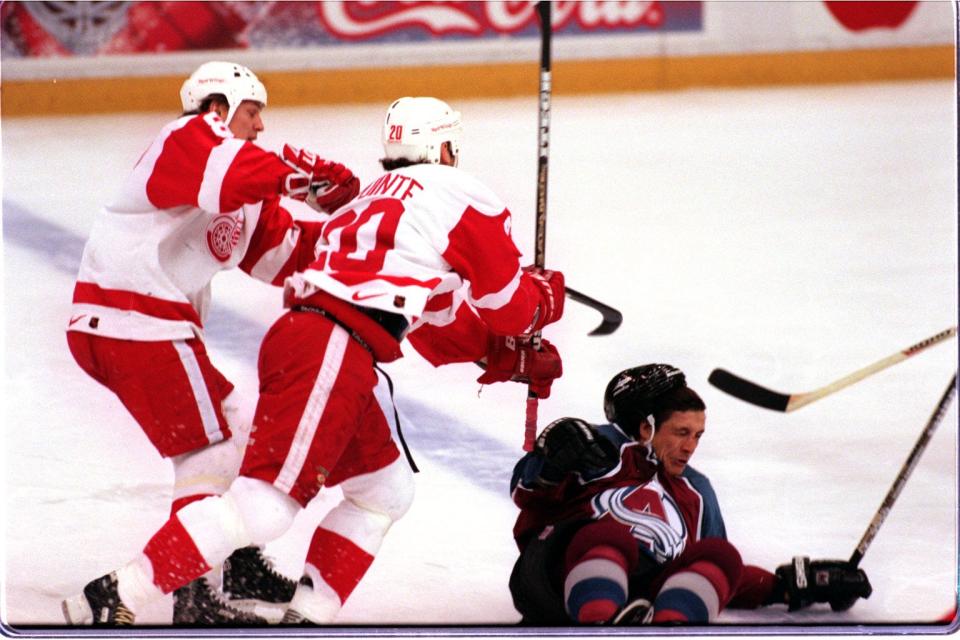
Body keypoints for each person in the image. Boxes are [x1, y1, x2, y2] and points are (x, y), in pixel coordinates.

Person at [62, 96, 566, 626]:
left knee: (385, 490)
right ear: (444, 147)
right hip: (333, 348)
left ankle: (306, 618)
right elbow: (510, 308)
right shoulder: (462, 196)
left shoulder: (365, 203)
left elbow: (438, 327)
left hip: (317, 341)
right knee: (265, 506)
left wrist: (501, 356)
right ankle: (117, 594)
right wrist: (540, 304)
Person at [64, 60, 360, 625]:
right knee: (220, 447)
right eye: (254, 112)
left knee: (232, 432)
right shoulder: (186, 138)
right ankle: (195, 591)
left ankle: (232, 564)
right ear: (218, 108)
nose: (262, 126)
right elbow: (235, 173)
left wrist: (370, 226)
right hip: (135, 320)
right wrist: (306, 176)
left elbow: (288, 253)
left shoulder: (239, 185)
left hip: (135, 328)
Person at [508, 364, 873, 625]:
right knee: (607, 535)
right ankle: (599, 627)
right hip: (557, 579)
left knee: (720, 555)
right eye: (681, 432)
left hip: (641, 599)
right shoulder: (600, 446)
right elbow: (526, 493)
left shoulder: (696, 492)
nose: (691, 446)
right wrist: (551, 464)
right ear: (646, 427)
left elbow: (722, 575)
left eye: (698, 435)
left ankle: (671, 628)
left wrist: (789, 588)